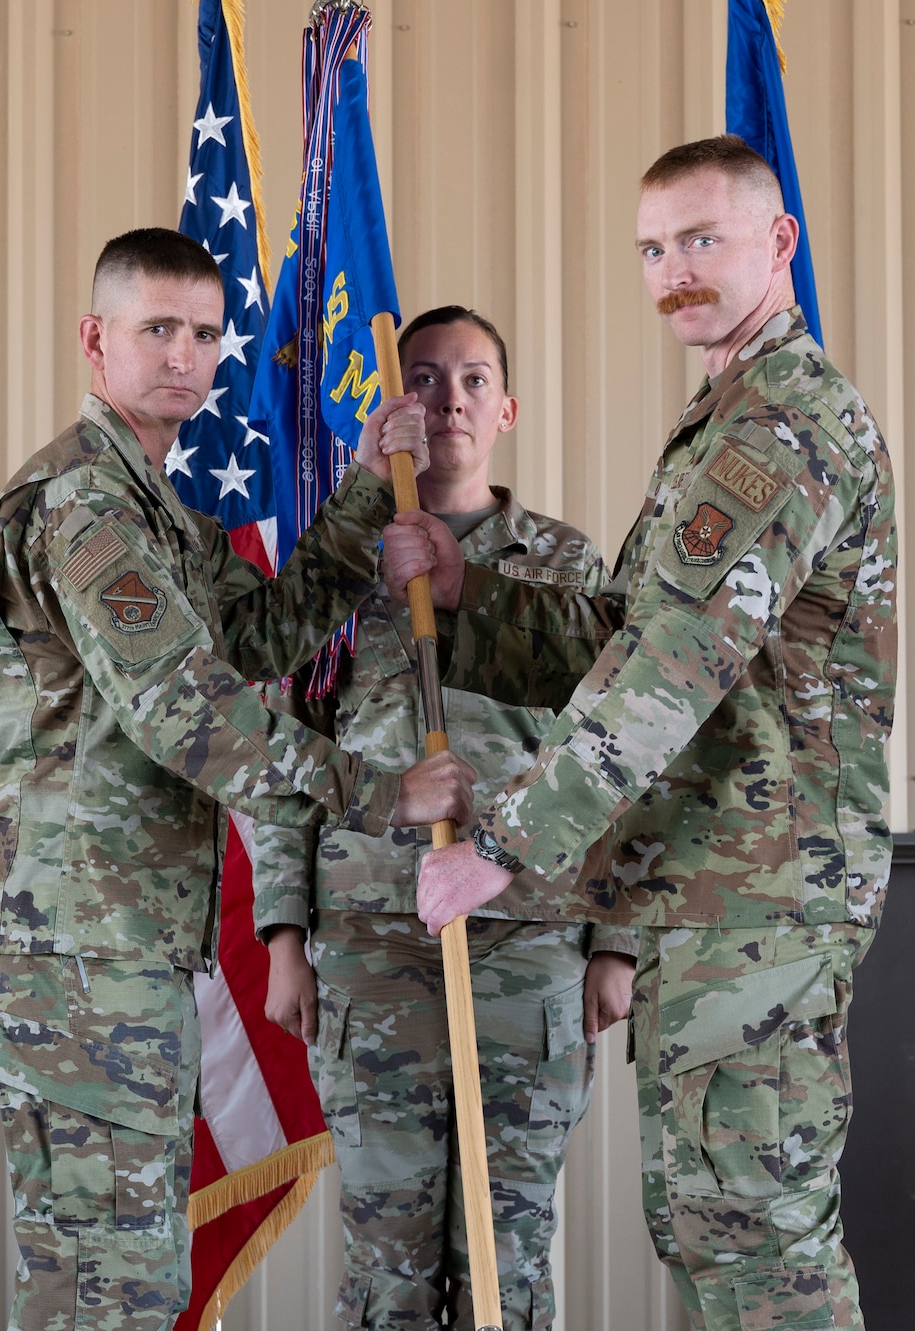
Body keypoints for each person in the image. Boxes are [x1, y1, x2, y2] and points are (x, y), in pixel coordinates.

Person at [385, 137, 899, 1331]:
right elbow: (632, 629)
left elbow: (676, 665)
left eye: (701, 240)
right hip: (709, 894)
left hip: (760, 897)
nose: (673, 271)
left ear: (779, 243)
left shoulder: (782, 424)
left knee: (758, 1247)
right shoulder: (721, 416)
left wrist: (503, 844)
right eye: (653, 249)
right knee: (710, 1226)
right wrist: (474, 593)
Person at [0, 227, 476, 1331]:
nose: (184, 358)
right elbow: (184, 710)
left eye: (203, 333)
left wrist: (357, 501)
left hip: (124, 929)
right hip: (83, 938)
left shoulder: (149, 502)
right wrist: (381, 793)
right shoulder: (83, 505)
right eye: (156, 330)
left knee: (120, 1266)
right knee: (110, 1277)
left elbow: (252, 634)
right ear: (96, 341)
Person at [249, 306, 638, 1331]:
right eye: (422, 379)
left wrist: (617, 941)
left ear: (504, 409)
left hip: (531, 940)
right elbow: (284, 759)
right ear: (392, 410)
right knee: (388, 1251)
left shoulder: (563, 564)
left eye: (471, 380)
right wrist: (284, 937)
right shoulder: (339, 571)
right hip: (371, 944)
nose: (447, 399)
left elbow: (623, 750)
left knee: (503, 1248)